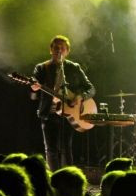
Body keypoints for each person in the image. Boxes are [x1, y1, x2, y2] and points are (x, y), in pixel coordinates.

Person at [30, 35, 95, 171]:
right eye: (56, 48)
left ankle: (68, 180)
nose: (59, 51)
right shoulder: (42, 68)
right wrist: (33, 87)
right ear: (51, 50)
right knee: (51, 150)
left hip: (69, 115)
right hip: (49, 113)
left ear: (67, 51)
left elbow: (91, 88)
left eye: (62, 48)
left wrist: (80, 97)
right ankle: (54, 180)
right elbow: (33, 91)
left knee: (66, 148)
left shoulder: (73, 67)